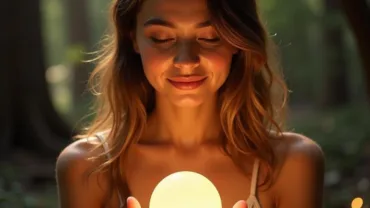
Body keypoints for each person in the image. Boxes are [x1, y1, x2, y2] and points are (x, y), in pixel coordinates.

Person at [56, 0, 325, 207]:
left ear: (237, 41)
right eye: (162, 38)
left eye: (210, 37)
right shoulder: (87, 169)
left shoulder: (291, 164)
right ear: (133, 39)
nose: (186, 61)